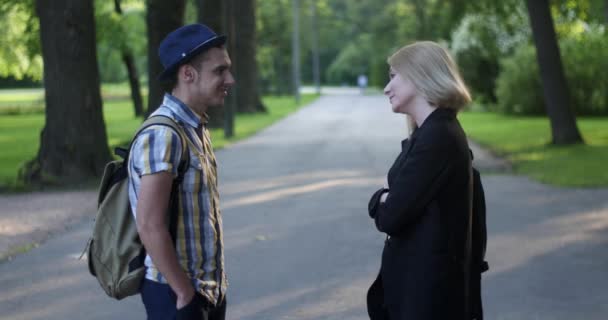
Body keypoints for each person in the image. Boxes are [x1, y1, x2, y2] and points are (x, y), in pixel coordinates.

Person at [128, 23, 234, 320]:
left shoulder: (195, 127)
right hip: (176, 294)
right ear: (188, 74)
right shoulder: (165, 134)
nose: (230, 79)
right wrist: (185, 293)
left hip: (206, 291)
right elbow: (149, 224)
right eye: (220, 71)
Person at [366, 41, 473, 319]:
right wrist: (387, 198)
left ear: (419, 75)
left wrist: (380, 198)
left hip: (426, 297)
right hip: (420, 289)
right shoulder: (433, 132)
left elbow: (390, 216)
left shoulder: (438, 137)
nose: (386, 88)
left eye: (392, 76)